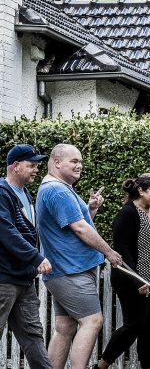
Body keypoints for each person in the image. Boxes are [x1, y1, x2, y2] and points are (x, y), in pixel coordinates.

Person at [35, 144, 123, 369]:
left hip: (64, 270)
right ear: (56, 162)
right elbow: (80, 228)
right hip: (71, 270)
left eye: (80, 161)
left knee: (65, 328)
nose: (79, 165)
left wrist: (90, 209)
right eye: (73, 161)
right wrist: (109, 252)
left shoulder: (57, 188)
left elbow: (70, 223)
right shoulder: (58, 190)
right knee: (93, 321)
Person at [96, 174, 150, 369]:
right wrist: (137, 280)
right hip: (132, 281)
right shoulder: (127, 214)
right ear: (141, 191)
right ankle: (101, 366)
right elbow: (122, 250)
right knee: (134, 325)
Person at [0, 144, 54, 369]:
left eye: (37, 166)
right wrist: (36, 257)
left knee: (33, 335)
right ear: (15, 166)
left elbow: (32, 230)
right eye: (31, 165)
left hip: (24, 279)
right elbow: (6, 230)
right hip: (3, 279)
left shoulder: (25, 193)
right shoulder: (2, 193)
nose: (35, 170)